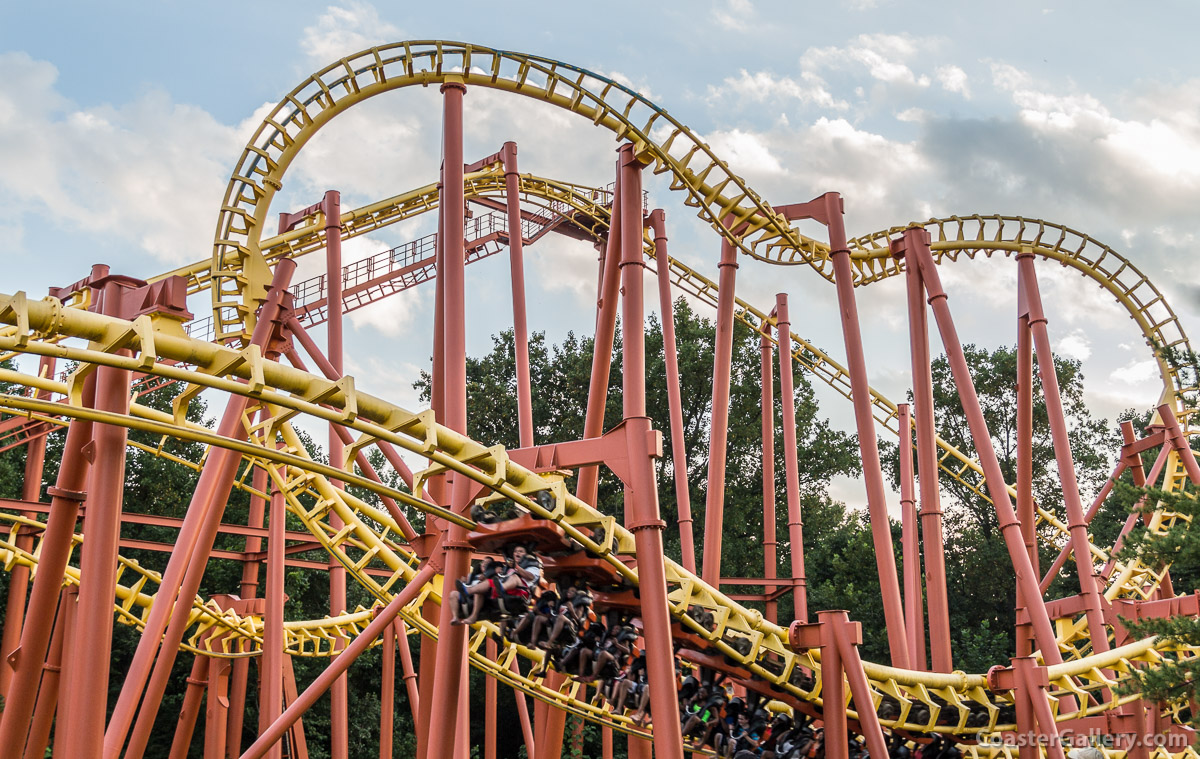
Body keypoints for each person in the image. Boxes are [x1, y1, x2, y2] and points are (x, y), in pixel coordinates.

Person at [452, 544, 542, 626]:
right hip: (503, 591)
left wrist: (517, 567)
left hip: (521, 591)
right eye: (515, 551)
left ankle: (471, 590)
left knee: (514, 577)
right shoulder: (508, 568)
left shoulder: (531, 566)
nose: (517, 553)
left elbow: (531, 577)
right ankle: (471, 614)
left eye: (520, 551)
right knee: (481, 589)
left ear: (526, 555)